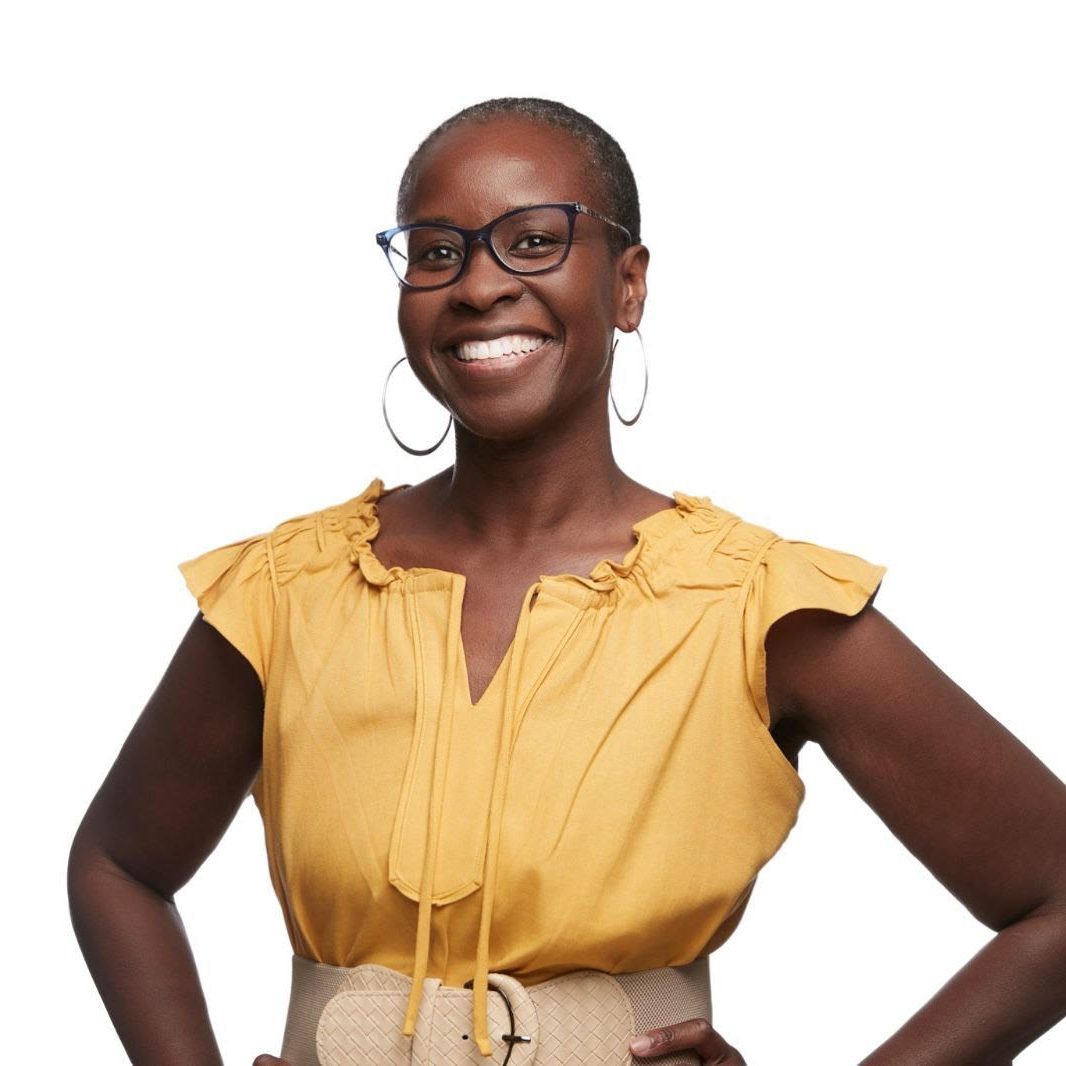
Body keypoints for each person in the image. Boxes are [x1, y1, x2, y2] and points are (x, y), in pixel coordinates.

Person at [67, 96, 1066, 1065]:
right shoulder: (291, 590)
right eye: (435, 251)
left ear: (628, 285)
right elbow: (117, 865)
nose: (477, 284)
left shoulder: (754, 604)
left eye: (534, 240)